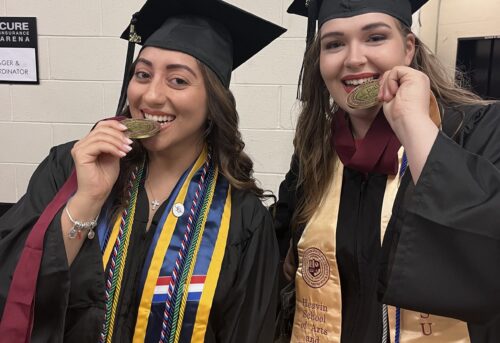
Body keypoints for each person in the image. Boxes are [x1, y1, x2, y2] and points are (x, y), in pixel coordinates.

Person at [0, 0, 286, 342]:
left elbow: (248, 332)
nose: (151, 95)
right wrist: (87, 199)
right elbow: (14, 288)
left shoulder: (242, 217)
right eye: (143, 74)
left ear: (214, 102)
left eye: (178, 80)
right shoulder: (69, 168)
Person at [273, 0, 500, 342]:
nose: (353, 59)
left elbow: (486, 249)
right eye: (334, 44)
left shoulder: (477, 130)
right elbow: (278, 252)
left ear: (408, 48)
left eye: (375, 37)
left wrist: (414, 125)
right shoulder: (314, 152)